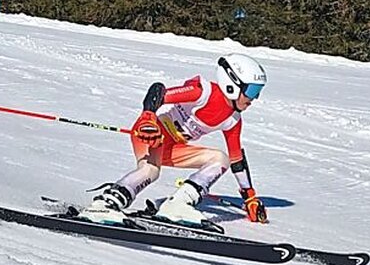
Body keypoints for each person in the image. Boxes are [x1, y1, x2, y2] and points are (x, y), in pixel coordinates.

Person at [80, 53, 269, 226]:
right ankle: (105, 204)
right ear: (233, 83)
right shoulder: (204, 93)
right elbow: (158, 92)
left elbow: (237, 160)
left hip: (173, 148)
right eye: (252, 91)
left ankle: (178, 205)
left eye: (258, 92)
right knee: (150, 170)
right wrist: (148, 117)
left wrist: (250, 197)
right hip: (150, 133)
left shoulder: (232, 120)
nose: (254, 98)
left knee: (221, 159)